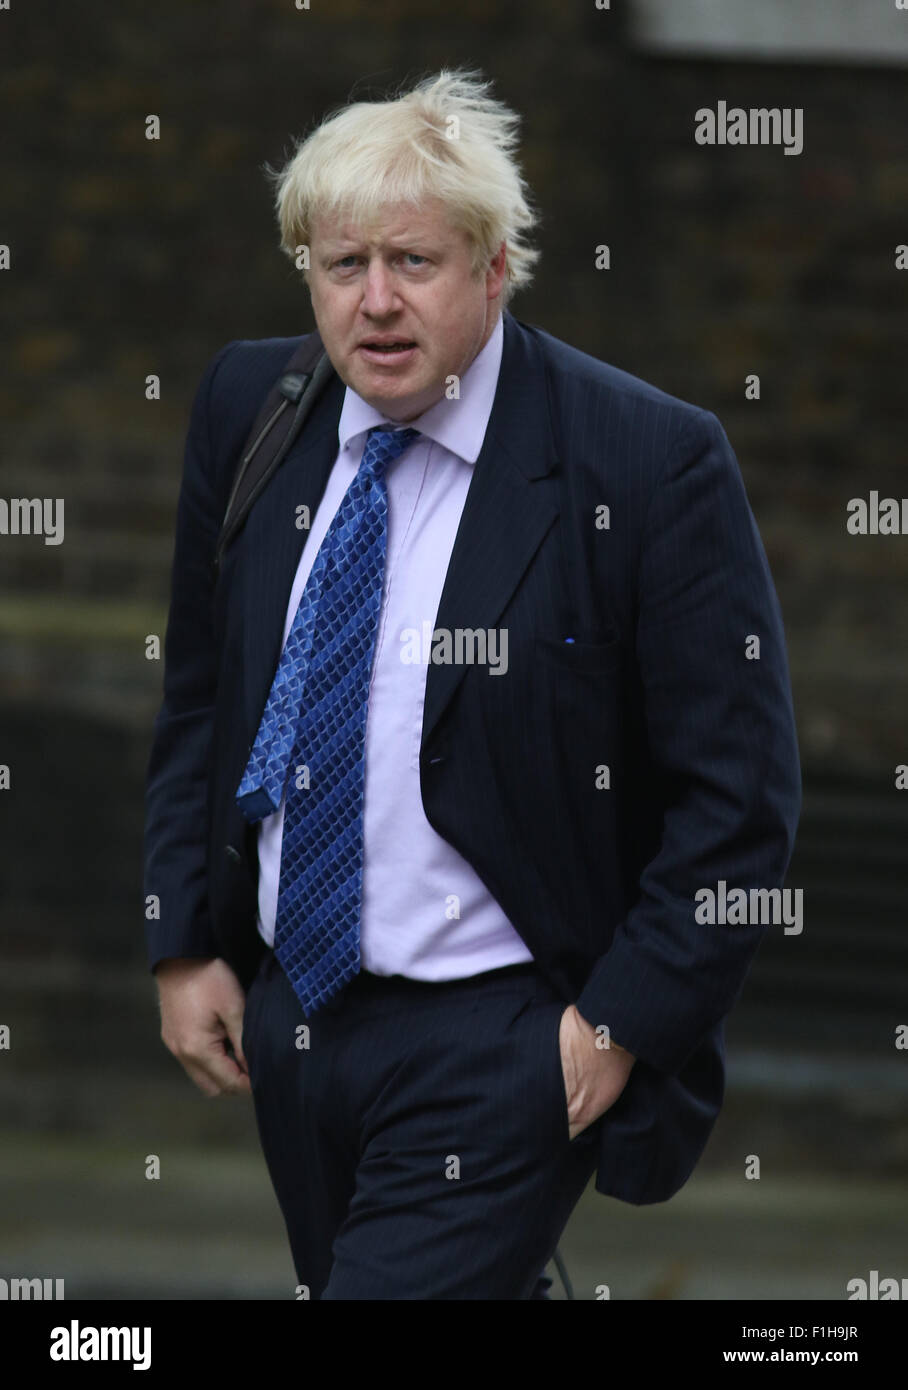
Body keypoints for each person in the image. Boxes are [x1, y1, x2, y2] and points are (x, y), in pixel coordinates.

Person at [144, 67, 801, 1300]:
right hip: (299, 1016)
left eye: (416, 262)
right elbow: (199, 693)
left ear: (495, 269)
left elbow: (741, 799)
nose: (376, 303)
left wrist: (616, 1022)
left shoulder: (643, 463)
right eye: (344, 266)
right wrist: (182, 942)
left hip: (501, 1038)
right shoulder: (253, 408)